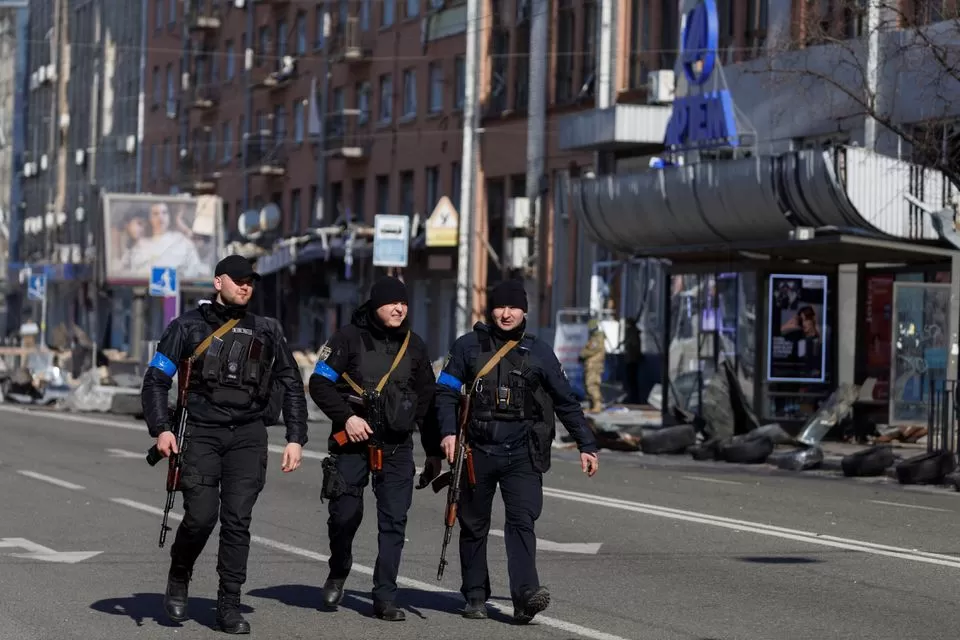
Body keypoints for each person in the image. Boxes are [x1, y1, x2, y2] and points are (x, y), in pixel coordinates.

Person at [141, 254, 308, 634]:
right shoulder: (186, 327)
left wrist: (295, 438)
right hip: (200, 432)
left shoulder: (267, 330)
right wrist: (162, 429)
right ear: (219, 283)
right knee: (201, 517)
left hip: (249, 436)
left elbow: (291, 382)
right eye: (237, 280)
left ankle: (228, 605)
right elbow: (156, 380)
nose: (245, 286)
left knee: (237, 522)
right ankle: (180, 573)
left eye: (250, 281)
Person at [435, 278, 600, 624]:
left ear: (525, 310)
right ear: (490, 309)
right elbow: (446, 393)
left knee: (522, 522)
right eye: (500, 306)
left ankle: (526, 595)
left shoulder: (539, 351)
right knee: (474, 524)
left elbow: (565, 401)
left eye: (513, 307)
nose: (506, 313)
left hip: (522, 452)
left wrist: (587, 444)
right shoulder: (468, 347)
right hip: (477, 451)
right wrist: (449, 432)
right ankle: (475, 595)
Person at [308, 276, 441, 622]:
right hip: (352, 445)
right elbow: (319, 383)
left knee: (394, 522)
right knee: (345, 516)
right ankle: (339, 569)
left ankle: (384, 597)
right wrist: (346, 418)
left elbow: (427, 401)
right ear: (375, 305)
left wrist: (433, 452)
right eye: (391, 303)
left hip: (396, 447)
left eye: (404, 303)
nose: (399, 308)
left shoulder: (415, 345)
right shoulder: (348, 338)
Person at [579, 318, 606, 412]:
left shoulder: (597, 338)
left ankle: (597, 405)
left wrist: (582, 354)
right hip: (590, 365)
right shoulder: (594, 338)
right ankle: (591, 405)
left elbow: (591, 350)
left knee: (592, 385)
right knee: (587, 385)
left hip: (594, 366)